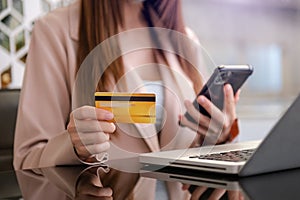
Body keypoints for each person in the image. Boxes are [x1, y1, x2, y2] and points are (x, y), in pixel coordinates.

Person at [14, 0, 239, 199]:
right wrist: (73, 146)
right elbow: (27, 161)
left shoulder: (184, 39)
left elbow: (194, 147)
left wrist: (220, 135)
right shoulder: (54, 31)